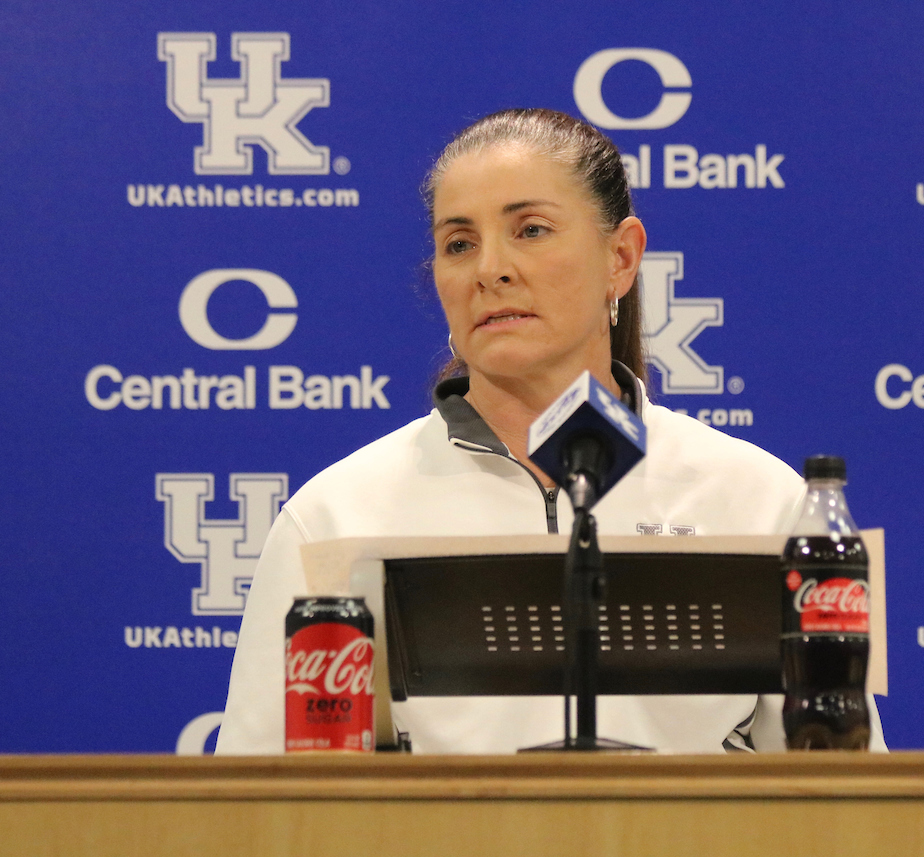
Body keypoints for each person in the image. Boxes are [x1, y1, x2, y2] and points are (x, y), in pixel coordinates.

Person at [215, 108, 885, 754]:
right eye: (459, 243)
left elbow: (842, 790)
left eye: (530, 230)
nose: (490, 269)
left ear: (621, 258)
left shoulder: (758, 497)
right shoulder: (333, 514)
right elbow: (255, 804)